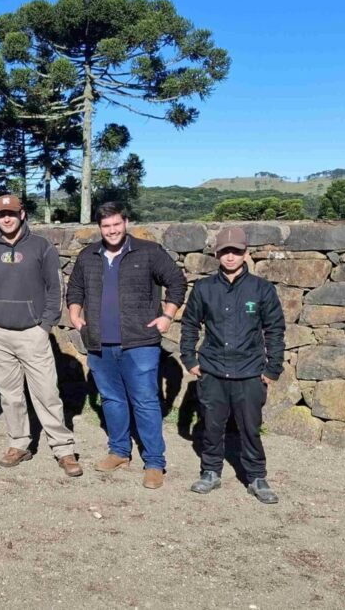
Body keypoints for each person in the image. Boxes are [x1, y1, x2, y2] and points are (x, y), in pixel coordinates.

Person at [67, 201, 187, 489]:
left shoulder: (148, 253)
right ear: (99, 228)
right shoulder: (89, 256)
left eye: (116, 224)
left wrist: (167, 316)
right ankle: (119, 451)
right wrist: (74, 312)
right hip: (99, 342)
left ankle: (155, 462)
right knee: (111, 400)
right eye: (106, 226)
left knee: (145, 401)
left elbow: (177, 282)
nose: (112, 230)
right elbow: (75, 287)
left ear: (126, 222)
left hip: (139, 343)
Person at [0, 194, 81, 476]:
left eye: (11, 213)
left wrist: (45, 326)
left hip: (32, 333)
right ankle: (19, 443)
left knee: (46, 392)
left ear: (22, 214)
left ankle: (63, 448)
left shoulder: (41, 247)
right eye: (0, 214)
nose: (6, 218)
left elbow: (54, 289)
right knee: (10, 395)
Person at [181, 226, 285, 504]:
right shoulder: (203, 289)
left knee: (250, 428)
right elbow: (190, 325)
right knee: (212, 426)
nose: (230, 257)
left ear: (245, 254)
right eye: (225, 251)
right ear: (217, 254)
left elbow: (274, 330)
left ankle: (256, 477)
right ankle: (211, 471)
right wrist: (190, 359)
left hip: (250, 372)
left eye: (236, 252)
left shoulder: (261, 290)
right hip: (213, 370)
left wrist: (272, 369)